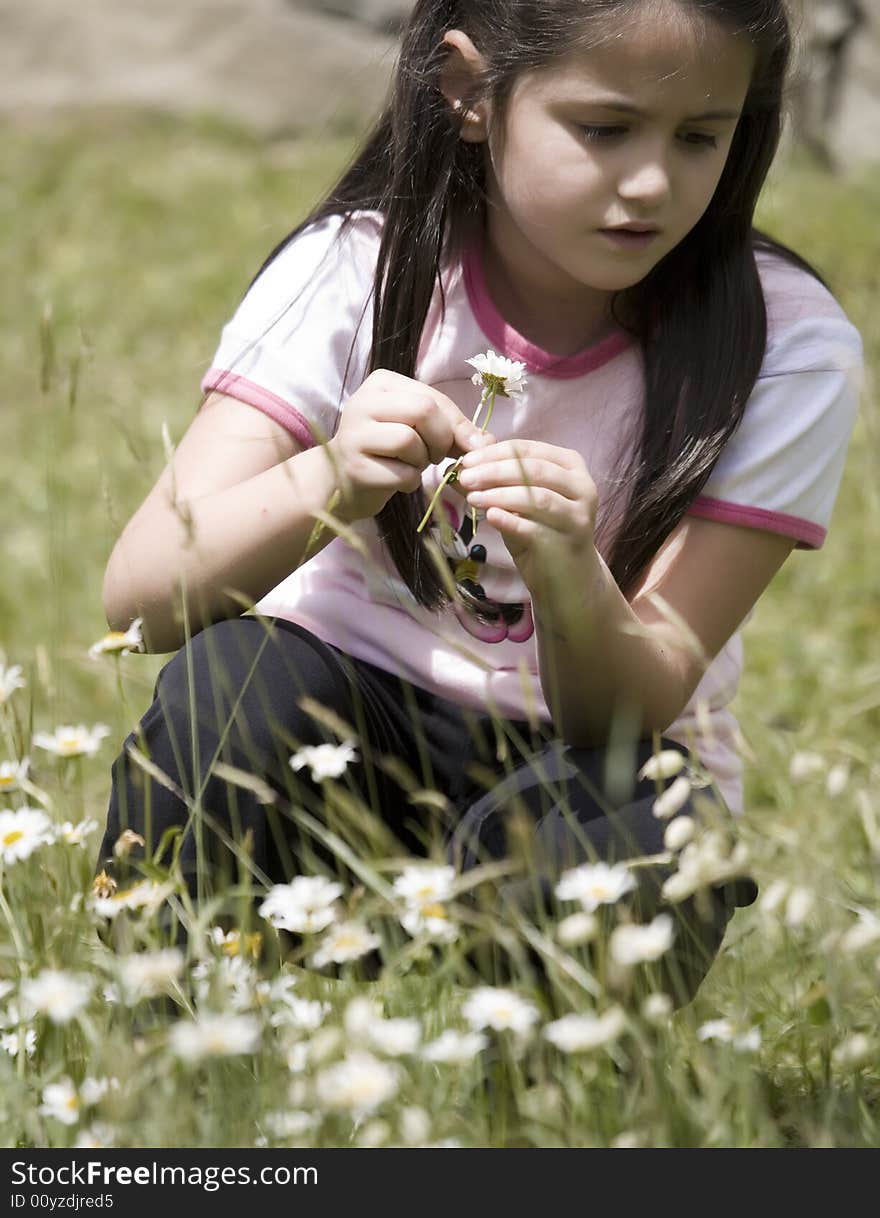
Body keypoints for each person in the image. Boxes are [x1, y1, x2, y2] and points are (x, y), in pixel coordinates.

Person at [96, 0, 862, 1004]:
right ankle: (177, 1039)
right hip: (348, 725)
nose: (649, 182)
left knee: (649, 819)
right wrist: (331, 475)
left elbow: (627, 714)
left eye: (698, 138)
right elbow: (143, 599)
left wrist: (571, 575)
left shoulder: (787, 346)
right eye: (603, 128)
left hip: (588, 756)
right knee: (231, 689)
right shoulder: (354, 270)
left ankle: (526, 1091)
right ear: (468, 92)